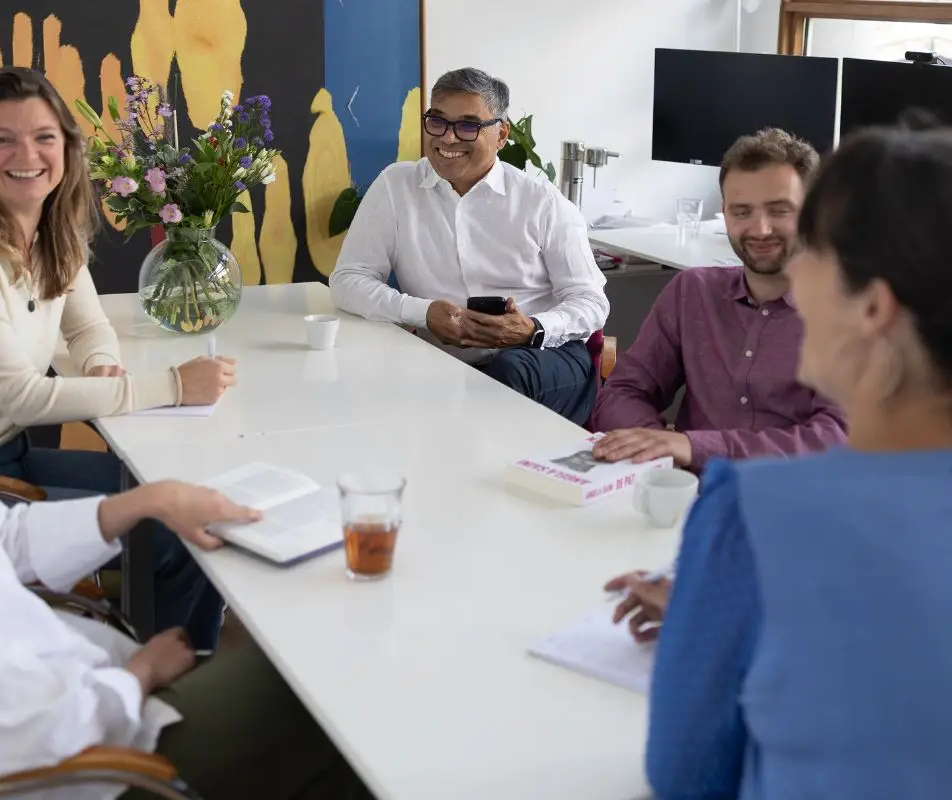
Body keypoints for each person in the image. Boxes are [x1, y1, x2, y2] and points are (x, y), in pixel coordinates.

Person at [0, 171, 373, 800]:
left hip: (82, 692)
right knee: (341, 700)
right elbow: (7, 728)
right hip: (97, 764)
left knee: (312, 669)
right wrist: (140, 673)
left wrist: (145, 501)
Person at [643, 127, 952, 797]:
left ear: (873, 307)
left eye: (819, 253)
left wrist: (719, 617)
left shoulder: (751, 515)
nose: (795, 269)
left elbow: (685, 776)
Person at [0, 66, 236, 495]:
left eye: (44, 137)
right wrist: (175, 386)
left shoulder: (51, 228)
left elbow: (87, 327)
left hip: (6, 453)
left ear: (68, 148)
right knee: (169, 524)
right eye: (3, 140)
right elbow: (23, 397)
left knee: (181, 494)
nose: (27, 154)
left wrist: (99, 362)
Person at [329, 67, 610, 425]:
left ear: (501, 134)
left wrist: (533, 328)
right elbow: (349, 279)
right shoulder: (396, 186)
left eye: (468, 125)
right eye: (438, 121)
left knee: (504, 376)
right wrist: (422, 311)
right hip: (441, 360)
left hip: (542, 357)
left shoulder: (541, 202)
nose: (447, 139)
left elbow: (591, 301)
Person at [591, 128, 847, 472]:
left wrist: (692, 447)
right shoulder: (692, 291)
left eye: (779, 210)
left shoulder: (850, 314)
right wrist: (658, 447)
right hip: (685, 493)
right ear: (724, 213)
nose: (760, 229)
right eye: (741, 212)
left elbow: (834, 441)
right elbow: (621, 392)